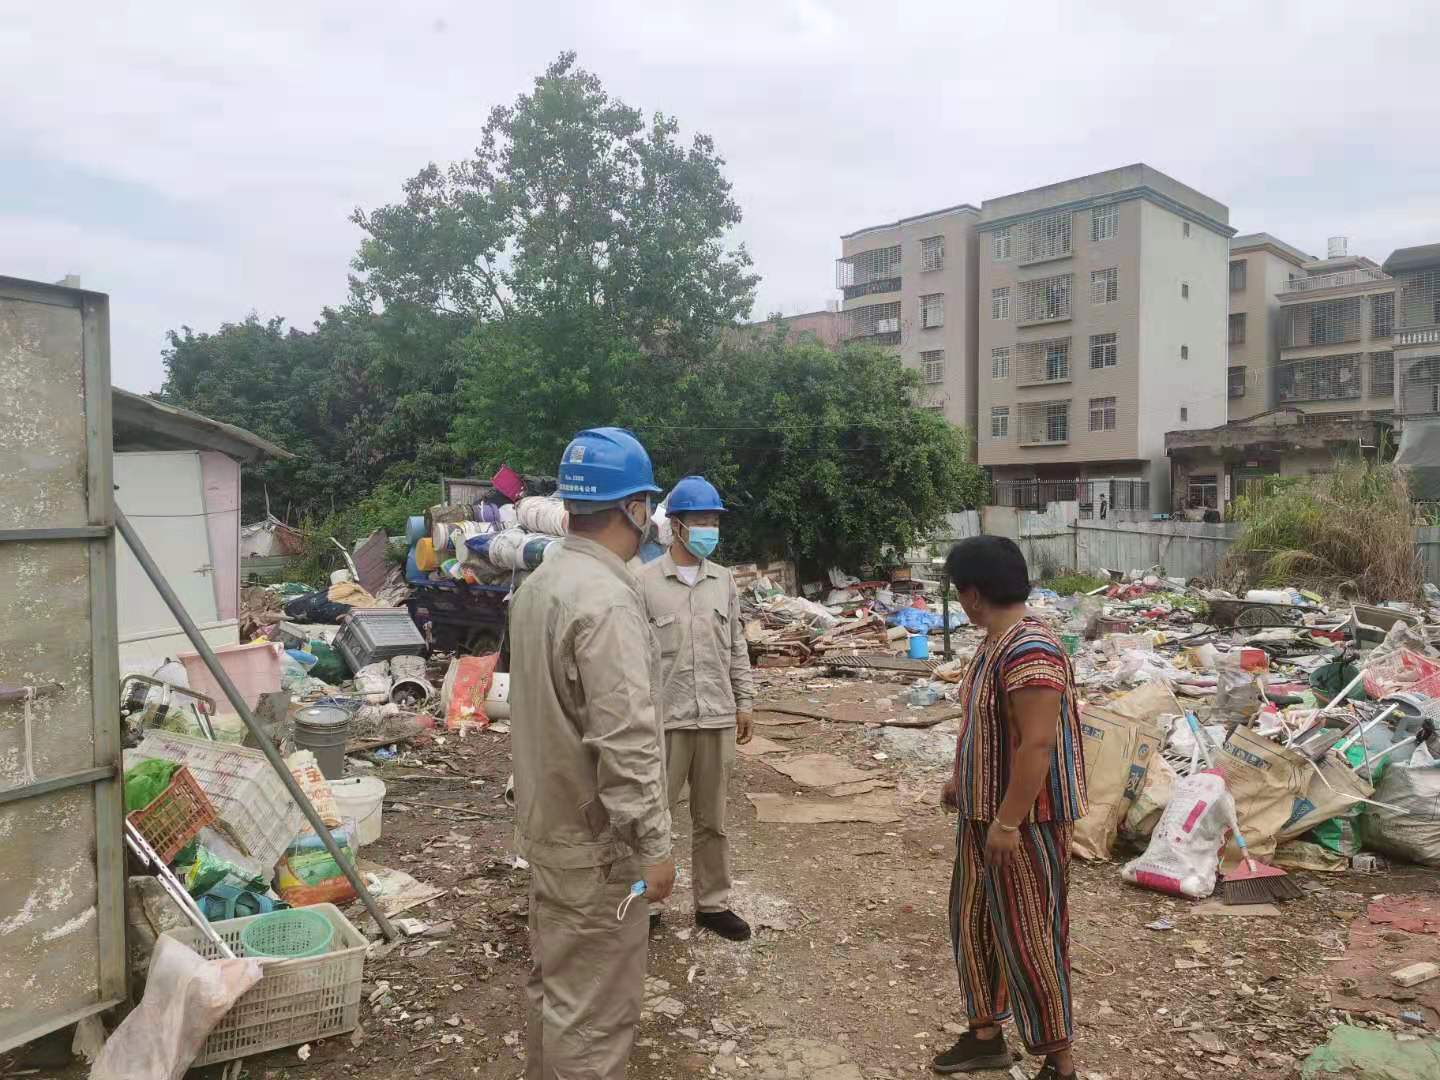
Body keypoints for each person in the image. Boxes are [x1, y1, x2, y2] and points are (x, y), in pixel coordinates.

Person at [509, 426, 676, 1080]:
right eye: (648, 505)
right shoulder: (605, 600)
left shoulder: (542, 584)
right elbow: (626, 740)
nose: (652, 519)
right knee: (596, 1015)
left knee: (556, 988)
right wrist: (654, 846)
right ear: (633, 506)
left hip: (550, 826)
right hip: (597, 845)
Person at [933, 535, 1087, 1080]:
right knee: (973, 923)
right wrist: (962, 778)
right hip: (983, 815)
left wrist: (1007, 822)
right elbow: (985, 725)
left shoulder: (1030, 649)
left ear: (974, 595)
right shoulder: (995, 642)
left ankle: (1059, 1060)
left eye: (958, 592)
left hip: (1024, 824)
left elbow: (1037, 746)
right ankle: (985, 1036)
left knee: (1029, 936)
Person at [637, 475, 756, 941]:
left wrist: (744, 702)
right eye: (702, 520)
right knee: (652, 817)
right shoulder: (644, 582)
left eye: (714, 521)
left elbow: (736, 646)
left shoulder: (722, 580)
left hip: (717, 718)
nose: (710, 528)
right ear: (678, 526)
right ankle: (646, 906)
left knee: (713, 821)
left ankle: (712, 904)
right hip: (664, 722)